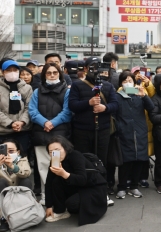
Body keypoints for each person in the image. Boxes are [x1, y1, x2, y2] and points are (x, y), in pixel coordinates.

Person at [29, 63, 72, 205]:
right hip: (41, 134)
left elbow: (67, 112)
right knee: (42, 167)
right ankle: (45, 196)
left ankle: (58, 197)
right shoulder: (36, 92)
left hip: (58, 136)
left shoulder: (67, 91)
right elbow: (32, 111)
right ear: (44, 75)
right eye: (49, 73)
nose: (52, 75)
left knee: (56, 167)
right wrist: (44, 122)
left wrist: (52, 123)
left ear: (60, 74)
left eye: (55, 72)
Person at [68, 57, 118, 174]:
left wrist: (105, 108)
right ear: (85, 68)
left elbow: (115, 104)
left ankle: (101, 186)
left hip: (103, 130)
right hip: (82, 131)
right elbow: (72, 105)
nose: (96, 70)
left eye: (98, 67)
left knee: (101, 160)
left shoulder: (108, 86)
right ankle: (84, 184)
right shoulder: (77, 85)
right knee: (83, 159)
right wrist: (88, 103)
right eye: (93, 67)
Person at [44, 136, 107, 225]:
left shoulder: (75, 155)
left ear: (65, 148)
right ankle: (61, 211)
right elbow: (49, 183)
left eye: (57, 150)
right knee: (56, 181)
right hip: (77, 186)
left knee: (72, 204)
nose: (55, 153)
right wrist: (49, 206)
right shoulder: (54, 160)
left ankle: (100, 201)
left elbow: (82, 179)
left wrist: (64, 174)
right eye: (51, 152)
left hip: (93, 186)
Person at [114, 72, 154, 199]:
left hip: (140, 132)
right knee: (125, 162)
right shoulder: (117, 96)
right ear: (121, 83)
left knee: (139, 160)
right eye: (125, 81)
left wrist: (144, 96)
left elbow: (151, 108)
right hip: (125, 133)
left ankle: (134, 187)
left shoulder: (139, 95)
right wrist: (119, 128)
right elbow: (114, 115)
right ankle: (121, 187)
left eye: (130, 80)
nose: (128, 82)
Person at [0, 138, 32, 231]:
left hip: (18, 190)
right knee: (1, 182)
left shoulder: (22, 159)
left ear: (18, 152)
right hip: (3, 191)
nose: (8, 154)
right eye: (5, 151)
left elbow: (27, 173)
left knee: (26, 181)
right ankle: (3, 218)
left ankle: (26, 214)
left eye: (11, 151)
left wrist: (12, 166)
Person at [0, 60, 32, 152]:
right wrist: (10, 123)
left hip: (22, 131)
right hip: (3, 131)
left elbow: (29, 107)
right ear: (3, 72)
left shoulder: (27, 88)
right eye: (9, 70)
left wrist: (22, 122)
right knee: (3, 159)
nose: (12, 73)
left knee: (22, 158)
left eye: (15, 70)